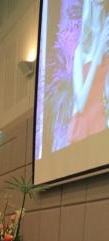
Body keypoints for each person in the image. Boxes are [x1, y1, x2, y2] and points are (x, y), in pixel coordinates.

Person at [67, 0, 109, 144]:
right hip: (83, 128)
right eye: (98, 5)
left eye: (104, 6)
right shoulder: (81, 50)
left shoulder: (106, 50)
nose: (102, 10)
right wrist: (98, 51)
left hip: (100, 124)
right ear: (90, 10)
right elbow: (80, 103)